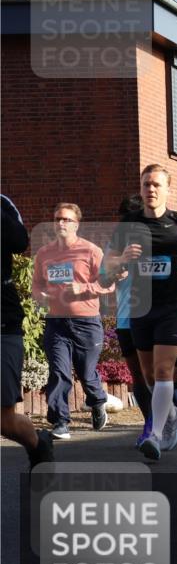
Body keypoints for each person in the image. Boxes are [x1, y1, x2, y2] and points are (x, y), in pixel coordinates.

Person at [106, 164, 177, 460]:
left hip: (172, 306)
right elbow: (108, 262)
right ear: (141, 188)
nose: (150, 189)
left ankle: (155, 432)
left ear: (167, 189)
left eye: (156, 185)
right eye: (146, 184)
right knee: (150, 377)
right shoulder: (128, 224)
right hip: (140, 306)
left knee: (164, 370)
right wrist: (122, 258)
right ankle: (175, 412)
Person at [32, 203, 116, 438]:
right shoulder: (44, 253)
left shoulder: (91, 251)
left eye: (66, 219)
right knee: (59, 372)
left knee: (87, 373)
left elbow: (109, 282)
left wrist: (83, 287)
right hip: (56, 322)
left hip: (86, 322)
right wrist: (41, 295)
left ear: (76, 224)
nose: (61, 223)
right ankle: (60, 422)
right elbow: (37, 283)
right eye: (57, 218)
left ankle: (97, 400)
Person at [2, 195, 55, 467]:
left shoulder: (3, 205)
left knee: (4, 420)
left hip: (3, 324)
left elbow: (19, 242)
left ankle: (38, 444)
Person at [103, 195, 154, 447]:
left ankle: (170, 416)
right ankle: (150, 426)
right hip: (127, 318)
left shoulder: (160, 238)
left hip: (158, 318)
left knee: (156, 374)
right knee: (138, 374)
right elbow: (104, 277)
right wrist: (119, 265)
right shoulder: (117, 244)